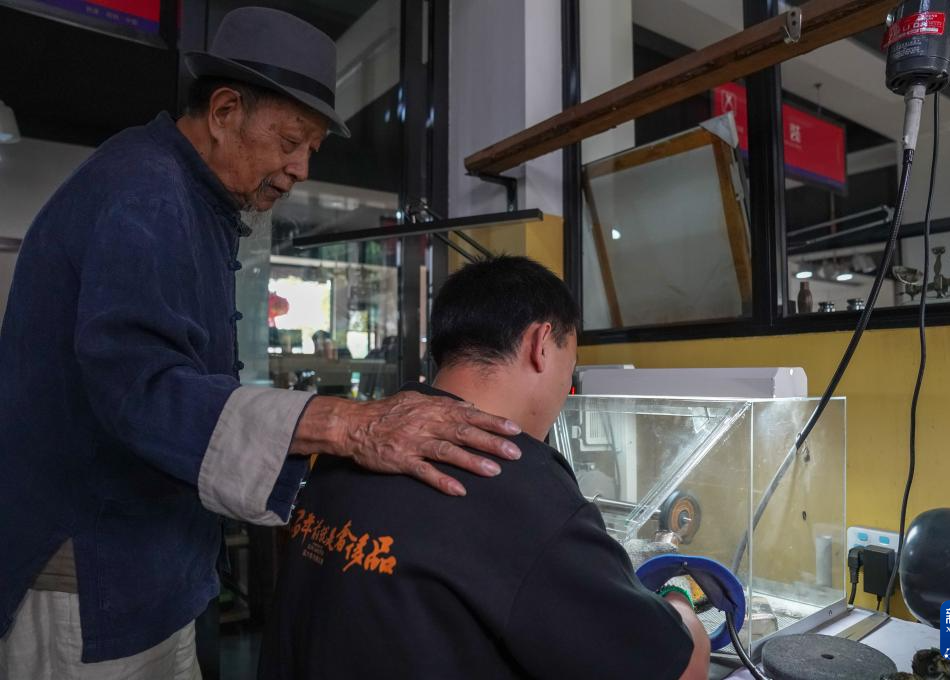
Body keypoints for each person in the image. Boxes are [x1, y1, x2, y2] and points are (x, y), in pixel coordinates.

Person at [0, 8, 523, 679]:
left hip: (152, 563)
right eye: (290, 141)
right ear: (224, 111)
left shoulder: (192, 199)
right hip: (95, 576)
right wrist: (348, 425)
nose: (299, 167)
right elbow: (140, 390)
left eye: (311, 150)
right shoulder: (146, 192)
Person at [258, 256, 711, 680]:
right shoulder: (515, 481)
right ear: (540, 344)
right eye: (570, 367)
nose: (565, 387)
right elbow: (678, 668)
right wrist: (679, 599)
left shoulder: (350, 445)